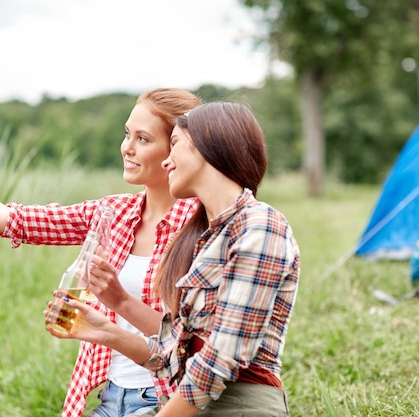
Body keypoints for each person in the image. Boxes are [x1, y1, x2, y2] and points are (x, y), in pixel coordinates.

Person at [0, 88, 203, 417]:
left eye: (143, 139)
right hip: (110, 397)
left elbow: (190, 343)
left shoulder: (202, 227)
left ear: (174, 150)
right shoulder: (113, 213)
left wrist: (118, 299)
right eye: (126, 134)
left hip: (165, 400)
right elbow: (3, 219)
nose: (127, 147)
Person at [46, 101, 300, 416]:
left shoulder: (260, 226)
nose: (167, 162)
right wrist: (103, 331)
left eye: (175, 145)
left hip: (237, 405)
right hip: (188, 404)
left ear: (209, 147)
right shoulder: (203, 238)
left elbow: (219, 360)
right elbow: (176, 355)